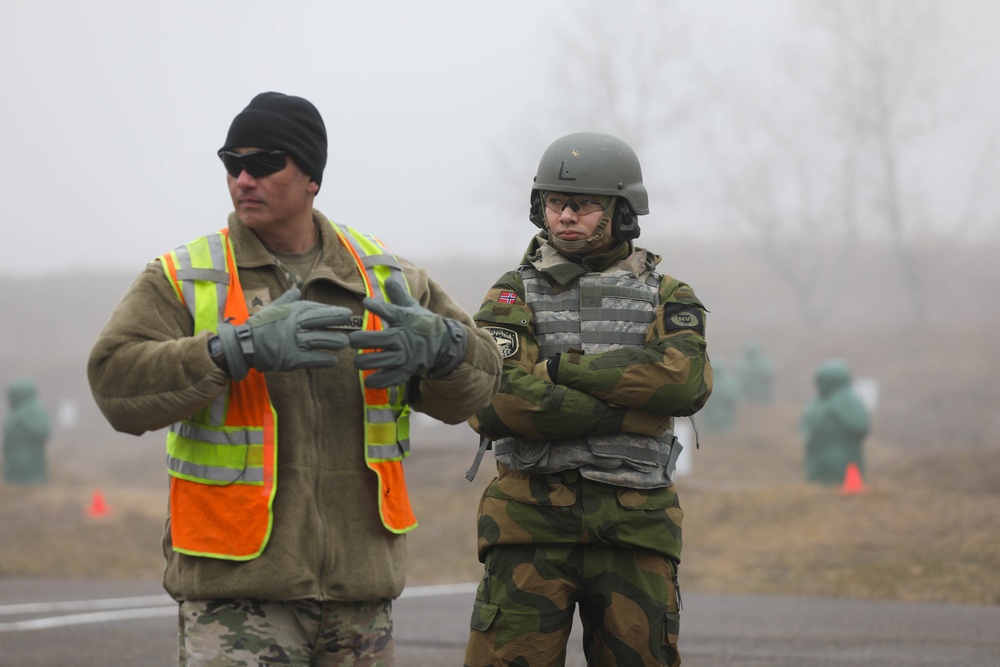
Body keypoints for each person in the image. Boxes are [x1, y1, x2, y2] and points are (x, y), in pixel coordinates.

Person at [87, 91, 502, 666]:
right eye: (232, 164)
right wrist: (233, 348)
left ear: (312, 176)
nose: (243, 179)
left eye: (262, 164)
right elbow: (113, 384)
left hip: (361, 601)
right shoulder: (184, 277)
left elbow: (479, 387)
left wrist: (447, 349)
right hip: (236, 600)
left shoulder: (385, 276)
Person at [462, 132, 713, 666]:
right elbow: (493, 399)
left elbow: (684, 383)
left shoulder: (669, 295)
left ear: (621, 212)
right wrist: (624, 412)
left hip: (635, 525)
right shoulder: (512, 293)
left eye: (583, 205)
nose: (566, 216)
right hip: (529, 527)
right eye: (555, 203)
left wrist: (562, 369)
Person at [800, 358, 870, 485]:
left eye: (824, 381)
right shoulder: (816, 401)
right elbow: (805, 423)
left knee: (841, 489)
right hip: (817, 459)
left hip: (843, 458)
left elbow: (861, 427)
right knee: (818, 491)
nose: (821, 385)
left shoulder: (848, 400)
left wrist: (838, 412)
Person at [2, 376, 51, 485]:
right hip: (13, 460)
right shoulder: (13, 412)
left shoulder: (36, 410)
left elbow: (42, 431)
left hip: (31, 460)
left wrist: (24, 422)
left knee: (30, 484)